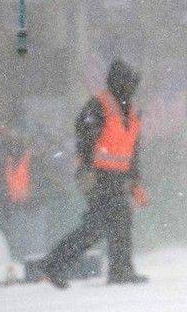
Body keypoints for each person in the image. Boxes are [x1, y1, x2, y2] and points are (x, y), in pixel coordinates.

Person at [41, 59, 150, 288]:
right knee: (98, 227)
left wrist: (136, 182)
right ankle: (55, 264)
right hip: (100, 176)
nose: (132, 87)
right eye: (129, 82)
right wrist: (86, 170)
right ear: (118, 82)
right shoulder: (99, 105)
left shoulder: (132, 111)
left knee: (117, 222)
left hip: (118, 177)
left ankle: (119, 270)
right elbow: (85, 139)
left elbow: (132, 150)